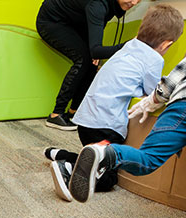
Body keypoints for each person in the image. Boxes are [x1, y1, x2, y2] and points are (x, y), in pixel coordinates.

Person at [68, 24, 186, 218]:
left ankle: (107, 153)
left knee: (149, 157)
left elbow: (165, 87)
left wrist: (149, 103)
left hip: (185, 104)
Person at [44, 4, 183, 201]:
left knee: (94, 158)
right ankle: (67, 169)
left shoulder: (128, 46)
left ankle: (63, 155)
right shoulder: (154, 59)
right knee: (109, 177)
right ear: (167, 44)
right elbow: (154, 93)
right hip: (106, 126)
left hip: (85, 121)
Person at [36, 0, 141, 131]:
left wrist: (95, 50)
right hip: (51, 21)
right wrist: (130, 44)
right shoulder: (97, 5)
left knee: (92, 62)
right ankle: (56, 114)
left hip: (74, 22)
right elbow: (96, 50)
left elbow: (96, 45)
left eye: (139, 0)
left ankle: (74, 111)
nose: (134, 2)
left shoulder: (109, 6)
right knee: (84, 59)